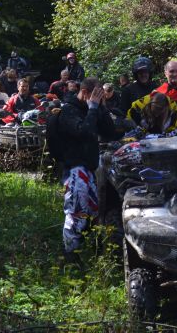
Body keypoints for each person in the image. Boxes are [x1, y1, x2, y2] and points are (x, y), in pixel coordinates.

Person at [46, 77, 114, 260]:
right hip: (74, 169)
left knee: (91, 213)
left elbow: (110, 132)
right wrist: (93, 108)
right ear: (85, 93)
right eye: (96, 95)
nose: (98, 99)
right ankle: (70, 258)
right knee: (76, 214)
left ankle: (86, 251)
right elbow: (84, 131)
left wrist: (101, 108)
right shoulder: (68, 110)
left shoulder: (91, 109)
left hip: (90, 168)